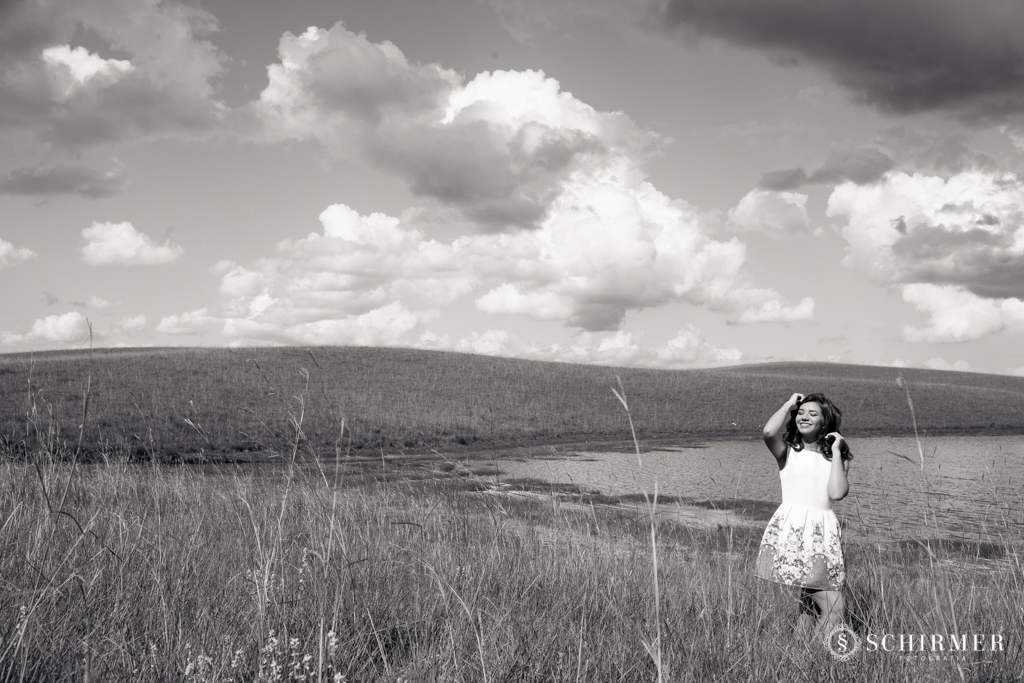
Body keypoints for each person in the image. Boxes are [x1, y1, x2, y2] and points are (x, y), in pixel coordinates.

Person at [755, 392, 852, 641]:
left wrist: (837, 451)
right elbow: (768, 432)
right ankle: (817, 657)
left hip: (823, 537)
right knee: (834, 607)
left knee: (809, 605)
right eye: (801, 413)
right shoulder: (787, 452)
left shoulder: (836, 457)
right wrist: (789, 404)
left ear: (825, 421)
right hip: (797, 535)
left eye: (813, 413)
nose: (804, 417)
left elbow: (837, 493)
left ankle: (799, 653)